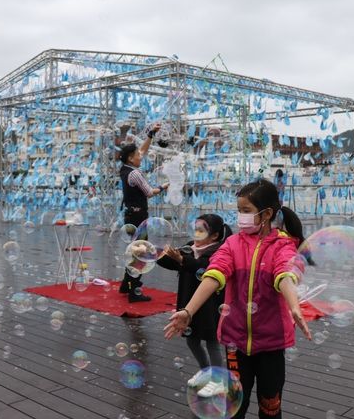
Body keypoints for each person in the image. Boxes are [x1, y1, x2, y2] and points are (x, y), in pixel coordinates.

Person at [164, 179, 311, 419]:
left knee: (270, 406)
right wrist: (188, 311)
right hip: (235, 342)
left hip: (272, 344)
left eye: (246, 211)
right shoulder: (232, 244)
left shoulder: (282, 245)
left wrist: (294, 305)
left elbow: (284, 274)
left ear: (267, 214)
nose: (240, 216)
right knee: (234, 406)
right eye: (239, 210)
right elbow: (213, 275)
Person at [158, 214, 232, 389]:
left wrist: (182, 260)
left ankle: (217, 380)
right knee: (192, 340)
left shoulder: (218, 252)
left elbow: (202, 267)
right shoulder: (189, 248)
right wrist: (154, 254)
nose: (196, 234)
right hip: (188, 304)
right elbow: (173, 262)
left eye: (201, 230)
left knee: (212, 341)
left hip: (210, 306)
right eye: (195, 229)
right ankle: (206, 372)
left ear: (214, 235)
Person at [118, 123, 169, 302]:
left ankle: (125, 285)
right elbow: (149, 192)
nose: (141, 155)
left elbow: (142, 150)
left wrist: (151, 134)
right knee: (141, 252)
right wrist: (163, 186)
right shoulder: (136, 174)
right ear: (131, 159)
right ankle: (134, 291)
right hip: (138, 216)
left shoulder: (126, 170)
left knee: (134, 250)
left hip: (130, 214)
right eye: (137, 155)